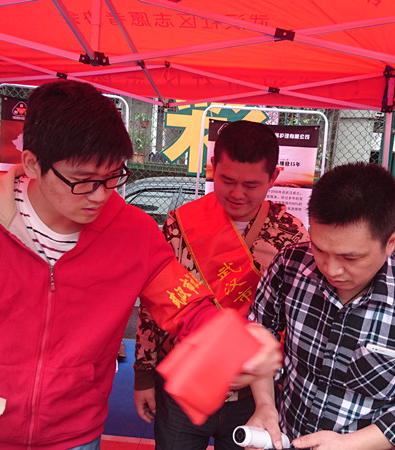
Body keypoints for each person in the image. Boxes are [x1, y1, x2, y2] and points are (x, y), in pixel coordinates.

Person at [0, 80, 281, 450]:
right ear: (32, 163)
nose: (100, 196)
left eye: (112, 177)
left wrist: (243, 342)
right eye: (83, 180)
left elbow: (188, 307)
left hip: (75, 435)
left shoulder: (133, 233)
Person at [246, 162, 395, 450]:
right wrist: (265, 405)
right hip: (286, 436)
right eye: (319, 248)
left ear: (391, 243)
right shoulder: (290, 265)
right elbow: (259, 334)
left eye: (350, 258)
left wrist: (351, 444)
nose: (331, 269)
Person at [132, 120, 309, 449]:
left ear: (273, 177)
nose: (237, 194)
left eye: (251, 184)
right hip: (184, 383)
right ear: (213, 166)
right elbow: (154, 301)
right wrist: (144, 373)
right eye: (227, 180)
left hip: (254, 393)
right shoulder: (181, 224)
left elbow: (301, 317)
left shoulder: (291, 236)